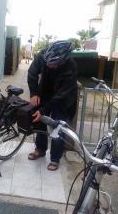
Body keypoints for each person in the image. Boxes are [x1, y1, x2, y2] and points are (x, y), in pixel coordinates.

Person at [27, 40, 77, 171]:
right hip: (45, 92)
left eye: (53, 64)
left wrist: (43, 110)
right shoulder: (43, 56)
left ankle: (55, 158)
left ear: (63, 61)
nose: (49, 66)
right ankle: (40, 149)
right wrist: (34, 93)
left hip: (63, 99)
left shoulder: (71, 66)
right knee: (39, 121)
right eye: (47, 63)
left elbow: (61, 96)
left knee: (58, 126)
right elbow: (32, 73)